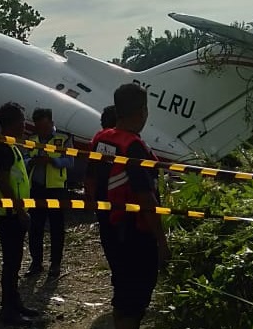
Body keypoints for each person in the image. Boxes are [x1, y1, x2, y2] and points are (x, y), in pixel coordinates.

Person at [84, 84, 170, 329]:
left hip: (110, 229)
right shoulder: (133, 148)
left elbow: (89, 182)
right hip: (136, 235)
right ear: (142, 111)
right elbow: (147, 199)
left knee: (122, 292)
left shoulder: (100, 139)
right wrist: (161, 242)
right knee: (136, 300)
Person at [0, 102, 40, 325]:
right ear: (11, 123)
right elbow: (3, 183)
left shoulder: (10, 147)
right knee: (11, 263)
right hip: (9, 214)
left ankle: (15, 302)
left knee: (15, 261)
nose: (24, 125)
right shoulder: (2, 148)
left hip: (13, 213)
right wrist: (20, 211)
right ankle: (8, 310)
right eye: (21, 120)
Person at [24, 108, 74, 278]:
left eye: (45, 126)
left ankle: (55, 264)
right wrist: (32, 161)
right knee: (35, 227)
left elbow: (70, 161)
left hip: (57, 189)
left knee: (57, 227)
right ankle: (36, 262)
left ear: (52, 123)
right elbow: (22, 159)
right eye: (39, 127)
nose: (42, 131)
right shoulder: (31, 139)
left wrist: (52, 161)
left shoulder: (63, 138)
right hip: (36, 188)